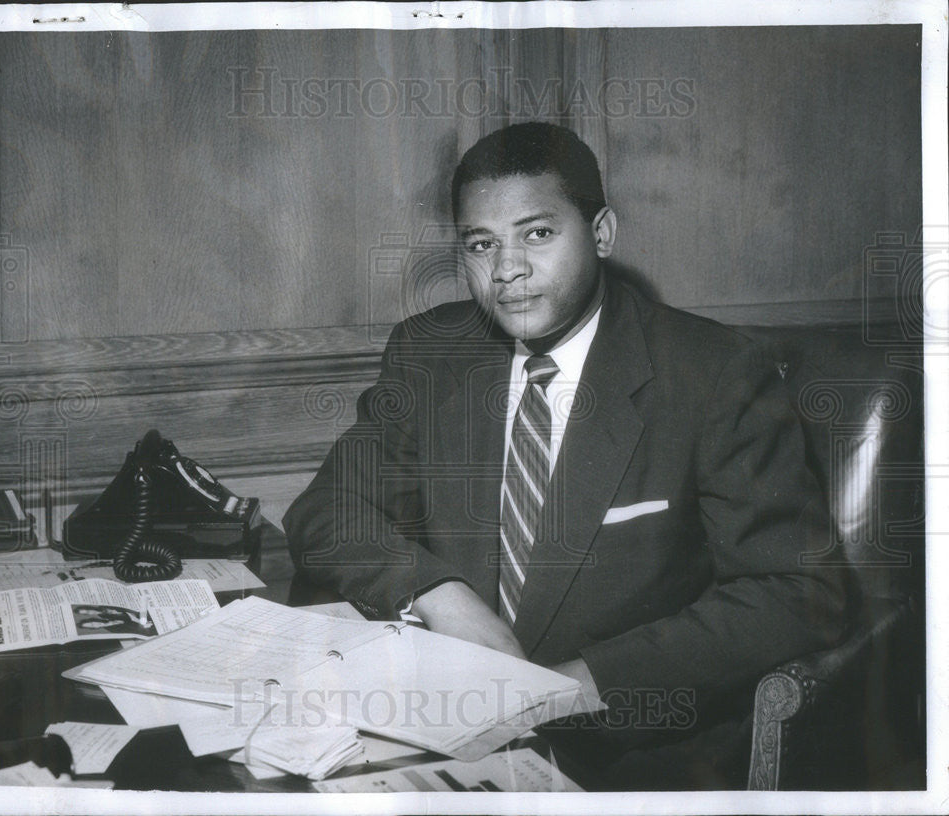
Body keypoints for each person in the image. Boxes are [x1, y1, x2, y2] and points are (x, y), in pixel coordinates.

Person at [283, 121, 847, 788]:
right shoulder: (431, 353)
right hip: (436, 735)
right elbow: (328, 509)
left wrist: (581, 685)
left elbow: (798, 591)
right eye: (481, 244)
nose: (507, 269)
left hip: (626, 758)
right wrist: (438, 591)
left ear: (602, 232)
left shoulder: (715, 373)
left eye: (538, 233)